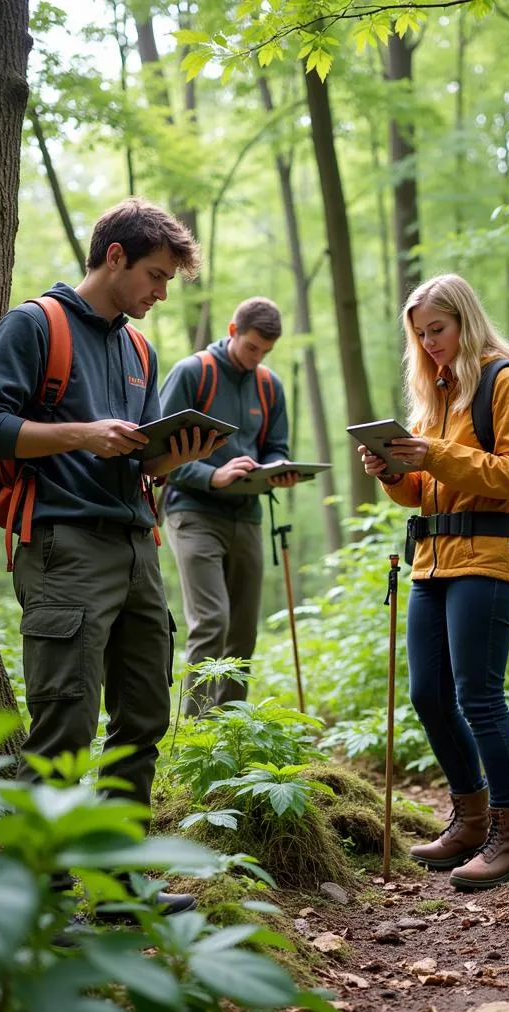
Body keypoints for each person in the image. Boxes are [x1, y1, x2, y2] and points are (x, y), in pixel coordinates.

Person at [0, 197, 220, 915]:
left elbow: (131, 455)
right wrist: (82, 434)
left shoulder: (139, 350)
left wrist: (173, 458)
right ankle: (42, 896)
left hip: (139, 545)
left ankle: (119, 883)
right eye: (157, 276)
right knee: (64, 723)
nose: (162, 294)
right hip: (64, 547)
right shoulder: (34, 324)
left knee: (142, 717)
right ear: (115, 256)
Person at [359, 273, 509, 891]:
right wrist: (392, 469)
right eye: (420, 334)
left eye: (438, 329)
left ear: (465, 320)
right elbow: (420, 492)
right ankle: (470, 819)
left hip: (490, 553)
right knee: (428, 694)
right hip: (432, 558)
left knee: (479, 696)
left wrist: (432, 453)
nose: (430, 342)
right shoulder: (437, 389)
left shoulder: (504, 380)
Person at [159, 297, 296, 717]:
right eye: (253, 348)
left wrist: (278, 470)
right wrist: (210, 475)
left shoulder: (269, 385)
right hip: (192, 513)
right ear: (233, 331)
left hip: (248, 516)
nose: (258, 359)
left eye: (266, 352)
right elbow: (156, 450)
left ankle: (231, 729)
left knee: (242, 631)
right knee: (212, 621)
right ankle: (197, 733)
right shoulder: (193, 372)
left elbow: (276, 446)